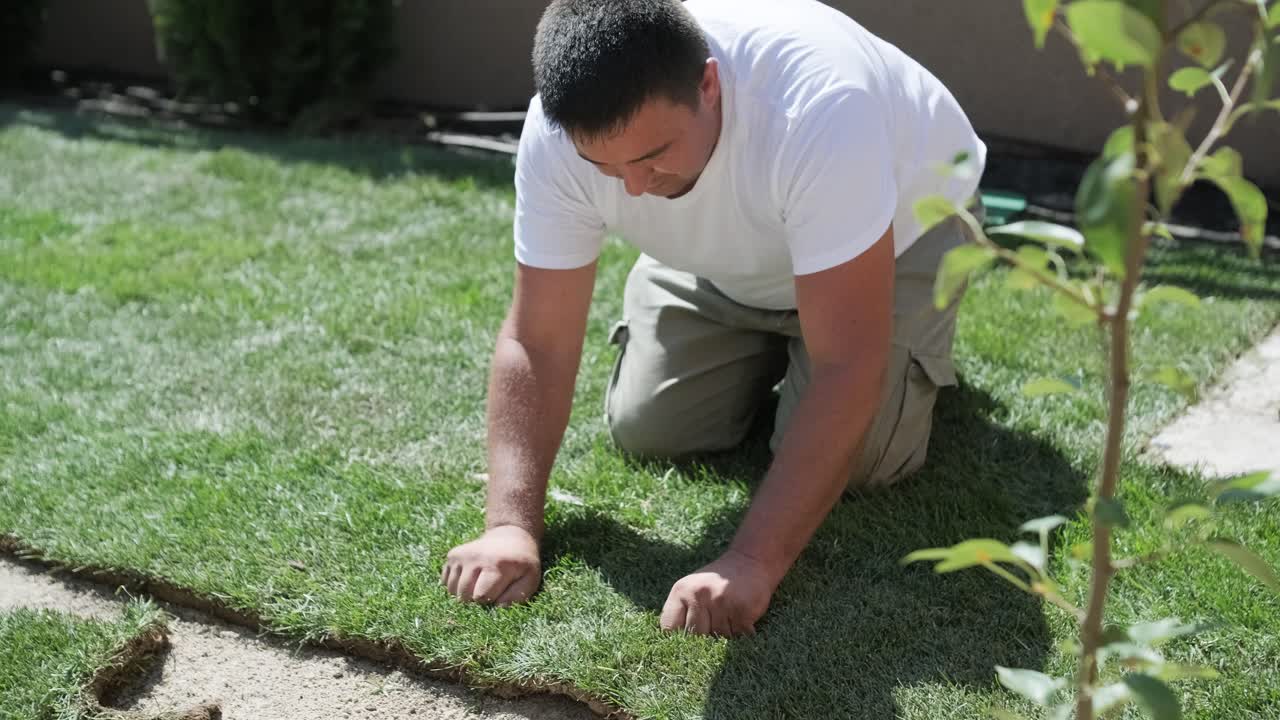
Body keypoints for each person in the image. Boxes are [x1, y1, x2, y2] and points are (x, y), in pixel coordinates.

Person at [441, 0, 986, 638]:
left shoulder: (821, 107)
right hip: (735, 248)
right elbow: (537, 339)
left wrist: (751, 562)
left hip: (899, 231)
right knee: (651, 429)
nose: (636, 189)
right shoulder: (556, 133)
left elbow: (848, 365)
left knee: (867, 460)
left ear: (708, 83)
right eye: (607, 169)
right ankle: (753, 326)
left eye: (652, 156)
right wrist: (510, 525)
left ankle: (885, 354)